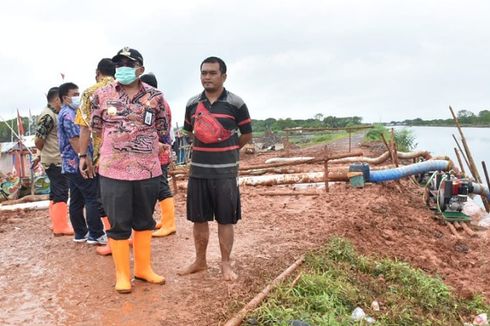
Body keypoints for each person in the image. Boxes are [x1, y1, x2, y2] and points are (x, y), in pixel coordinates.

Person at [90, 47, 168, 293]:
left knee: (144, 220)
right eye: (118, 63)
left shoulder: (156, 96)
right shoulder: (101, 95)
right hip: (114, 170)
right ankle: (122, 275)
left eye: (127, 63)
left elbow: (162, 128)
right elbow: (95, 128)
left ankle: (143, 269)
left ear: (140, 69)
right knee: (118, 222)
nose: (122, 68)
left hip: (147, 169)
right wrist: (87, 156)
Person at [178, 57, 252, 281]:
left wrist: (227, 150)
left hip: (225, 173)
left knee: (225, 219)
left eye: (212, 73)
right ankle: (200, 261)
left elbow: (246, 135)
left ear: (224, 76)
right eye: (203, 73)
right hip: (199, 171)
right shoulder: (192, 104)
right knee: (198, 219)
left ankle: (225, 264)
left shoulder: (236, 104)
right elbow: (190, 132)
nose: (207, 77)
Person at [76, 58, 116, 255]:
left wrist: (83, 156)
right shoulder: (127, 88)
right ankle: (131, 238)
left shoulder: (90, 92)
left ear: (98, 72)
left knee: (104, 200)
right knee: (128, 198)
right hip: (132, 155)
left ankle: (114, 241)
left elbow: (85, 127)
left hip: (105, 156)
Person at [58, 82, 106, 244]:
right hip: (77, 162)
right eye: (75, 94)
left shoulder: (67, 112)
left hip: (69, 164)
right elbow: (74, 139)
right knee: (92, 196)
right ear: (65, 98)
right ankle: (96, 233)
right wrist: (84, 158)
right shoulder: (69, 115)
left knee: (77, 199)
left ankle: (80, 233)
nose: (78, 97)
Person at [140, 73, 177, 238]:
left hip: (157, 152)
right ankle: (165, 220)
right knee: (158, 186)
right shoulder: (162, 102)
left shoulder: (153, 103)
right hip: (159, 151)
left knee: (161, 186)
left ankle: (170, 224)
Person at [34, 87, 73, 236]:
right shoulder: (48, 116)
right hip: (54, 159)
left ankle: (56, 222)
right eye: (62, 100)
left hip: (54, 158)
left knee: (55, 191)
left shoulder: (53, 114)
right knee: (61, 192)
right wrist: (44, 152)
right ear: (57, 100)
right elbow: (38, 139)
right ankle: (60, 226)